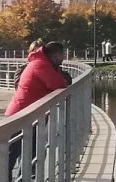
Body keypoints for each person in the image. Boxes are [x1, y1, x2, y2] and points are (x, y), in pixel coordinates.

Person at [6, 42, 69, 175]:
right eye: (62, 55)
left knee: (31, 152)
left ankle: (25, 177)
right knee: (13, 153)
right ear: (56, 55)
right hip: (21, 114)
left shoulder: (42, 63)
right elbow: (58, 83)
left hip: (30, 114)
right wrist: (60, 77)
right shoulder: (41, 64)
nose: (63, 58)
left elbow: (63, 81)